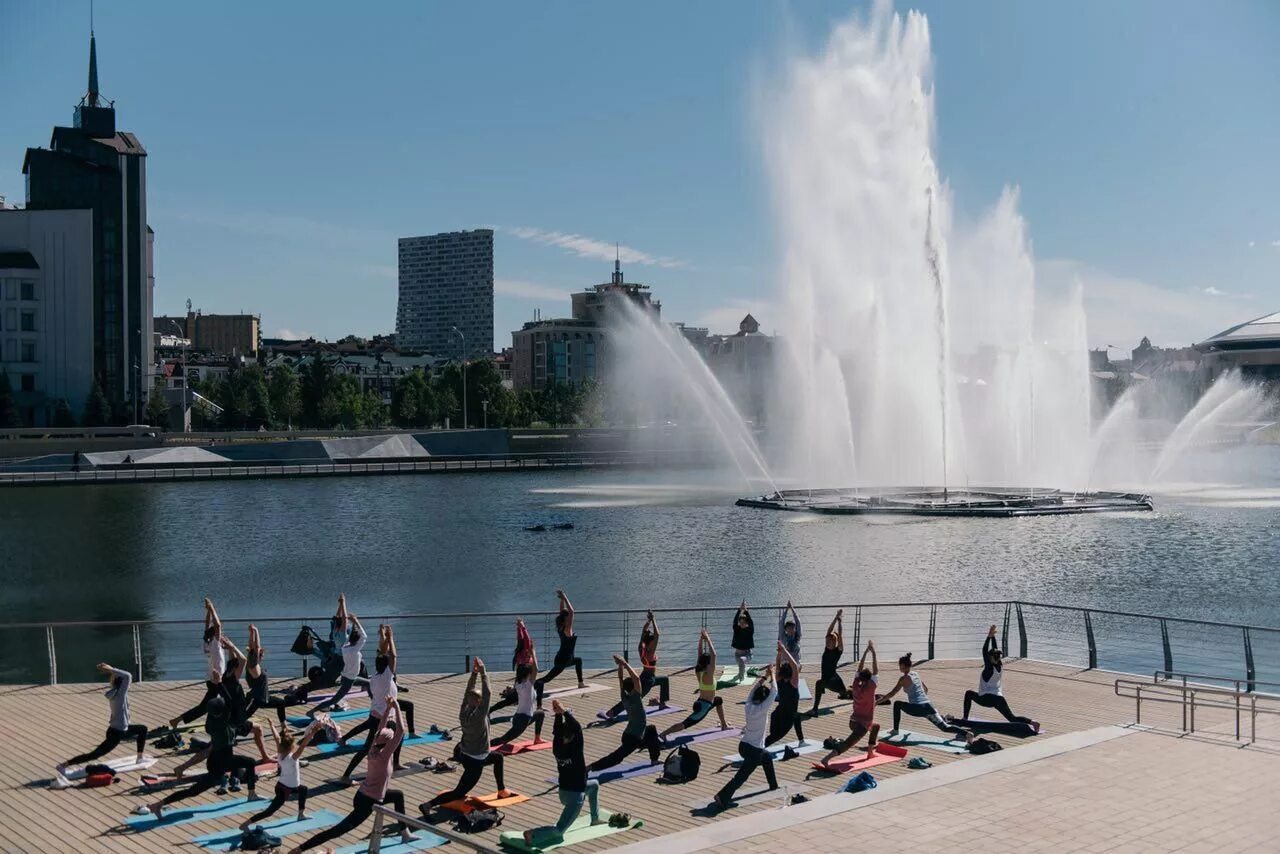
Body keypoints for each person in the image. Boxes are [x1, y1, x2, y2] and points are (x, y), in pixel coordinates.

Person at [290, 699, 416, 853]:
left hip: (362, 794)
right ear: (389, 744)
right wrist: (395, 706)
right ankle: (299, 849)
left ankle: (405, 833)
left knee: (398, 796)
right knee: (336, 832)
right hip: (368, 802)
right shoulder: (384, 756)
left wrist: (387, 710)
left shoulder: (373, 748)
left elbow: (381, 727)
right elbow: (401, 731)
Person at [419, 659, 510, 813]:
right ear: (480, 702)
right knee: (459, 792)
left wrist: (474, 674)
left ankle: (501, 790)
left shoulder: (463, 711)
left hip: (466, 754)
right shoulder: (480, 715)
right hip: (476, 760)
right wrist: (483, 672)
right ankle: (428, 805)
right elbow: (487, 693)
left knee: (498, 758)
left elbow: (469, 691)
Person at [148, 694, 260, 819]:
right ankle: (251, 794)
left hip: (214, 760)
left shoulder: (210, 723)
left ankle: (158, 804)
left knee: (193, 791)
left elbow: (229, 705)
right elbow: (235, 706)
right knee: (250, 762)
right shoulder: (224, 724)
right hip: (223, 762)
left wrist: (219, 685)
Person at [339, 625, 417, 785]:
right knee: (367, 747)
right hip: (382, 717)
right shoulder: (386, 677)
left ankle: (395, 763)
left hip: (379, 713)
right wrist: (391, 638)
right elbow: (393, 656)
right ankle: (346, 776)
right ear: (387, 666)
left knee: (398, 736)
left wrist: (384, 636)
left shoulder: (375, 677)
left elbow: (384, 654)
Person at [523, 700, 602, 847]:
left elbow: (558, 730)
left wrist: (558, 714)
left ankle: (595, 818)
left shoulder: (557, 746)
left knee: (594, 785)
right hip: (575, 797)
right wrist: (564, 711)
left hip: (563, 791)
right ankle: (532, 834)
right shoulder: (576, 749)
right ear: (573, 737)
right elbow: (577, 728)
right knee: (560, 830)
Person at [58, 662, 147, 773]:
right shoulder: (120, 695)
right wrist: (111, 669)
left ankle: (139, 758)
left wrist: (111, 672)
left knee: (143, 729)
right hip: (117, 733)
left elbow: (115, 681)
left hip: (117, 729)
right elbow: (128, 676)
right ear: (123, 686)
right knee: (95, 755)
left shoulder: (114, 691)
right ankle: (64, 765)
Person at [713, 665, 778, 808]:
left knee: (766, 757)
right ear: (764, 699)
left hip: (743, 746)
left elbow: (754, 689)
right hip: (754, 751)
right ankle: (722, 797)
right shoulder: (763, 709)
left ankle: (773, 785)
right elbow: (775, 691)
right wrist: (772, 673)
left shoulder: (748, 705)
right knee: (741, 777)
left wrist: (765, 676)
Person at [240, 719, 320, 830]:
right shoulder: (293, 757)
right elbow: (303, 745)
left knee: (303, 789)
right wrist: (313, 732)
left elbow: (277, 738)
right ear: (291, 747)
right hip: (285, 790)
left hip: (284, 786)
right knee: (269, 812)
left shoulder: (280, 753)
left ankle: (301, 814)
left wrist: (272, 725)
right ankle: (245, 824)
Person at [589, 655, 662, 770]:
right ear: (634, 689)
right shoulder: (636, 699)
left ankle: (654, 759)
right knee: (616, 758)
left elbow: (620, 679)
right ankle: (590, 767)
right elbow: (637, 679)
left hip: (630, 734)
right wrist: (625, 664)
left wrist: (620, 666)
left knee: (651, 730)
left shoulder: (624, 696)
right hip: (634, 738)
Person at [959, 625, 1039, 729]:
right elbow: (994, 650)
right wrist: (993, 637)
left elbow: (984, 650)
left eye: (989, 656)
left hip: (986, 699)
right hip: (999, 698)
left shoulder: (989, 668)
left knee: (968, 693)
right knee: (1012, 718)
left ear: (990, 658)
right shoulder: (999, 665)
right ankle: (1033, 722)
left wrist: (988, 636)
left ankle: (965, 719)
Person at [879, 653, 972, 741]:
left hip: (918, 708)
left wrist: (877, 702)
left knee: (897, 704)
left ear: (903, 666)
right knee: (945, 727)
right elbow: (926, 689)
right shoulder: (915, 674)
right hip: (928, 706)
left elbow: (892, 694)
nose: (899, 667)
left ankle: (895, 730)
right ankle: (966, 733)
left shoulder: (903, 679)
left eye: (900, 665)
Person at [166, 598, 226, 731]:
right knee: (205, 707)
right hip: (216, 680)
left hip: (212, 679)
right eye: (220, 635)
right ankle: (177, 720)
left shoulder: (207, 643)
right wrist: (211, 607)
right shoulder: (215, 645)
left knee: (211, 705)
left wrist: (208, 611)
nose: (222, 636)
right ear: (215, 636)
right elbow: (218, 625)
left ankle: (180, 720)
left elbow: (207, 626)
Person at [818, 640, 881, 767]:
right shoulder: (871, 687)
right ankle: (826, 759)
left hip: (853, 722)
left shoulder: (855, 686)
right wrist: (872, 651)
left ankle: (870, 753)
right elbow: (875, 670)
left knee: (876, 727)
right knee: (847, 744)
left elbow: (859, 669)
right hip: (861, 726)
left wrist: (864, 653)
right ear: (869, 679)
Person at [660, 629, 728, 739]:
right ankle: (663, 734)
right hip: (704, 707)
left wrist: (701, 638)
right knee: (685, 724)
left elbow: (699, 653)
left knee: (718, 700)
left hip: (702, 702)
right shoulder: (709, 674)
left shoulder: (698, 671)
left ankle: (724, 725)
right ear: (708, 664)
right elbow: (714, 655)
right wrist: (708, 638)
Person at [602, 610, 669, 718]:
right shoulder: (650, 652)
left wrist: (649, 621)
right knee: (635, 697)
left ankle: (662, 703)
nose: (654, 643)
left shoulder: (641, 648)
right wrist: (653, 619)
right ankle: (612, 712)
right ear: (650, 643)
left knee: (664, 679)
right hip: (648, 680)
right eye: (653, 642)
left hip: (645, 676)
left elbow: (644, 632)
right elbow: (657, 635)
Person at [308, 612, 367, 717]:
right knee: (334, 700)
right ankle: (312, 711)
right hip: (349, 680)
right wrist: (356, 621)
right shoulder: (353, 650)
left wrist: (354, 624)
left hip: (349, 677)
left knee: (369, 684)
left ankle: (373, 706)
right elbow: (364, 636)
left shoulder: (345, 647)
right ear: (357, 641)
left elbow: (357, 636)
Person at [535, 589, 585, 708]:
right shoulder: (568, 629)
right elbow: (572, 611)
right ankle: (529, 687)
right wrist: (565, 596)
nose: (571, 618)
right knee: (545, 679)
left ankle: (581, 683)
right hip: (564, 660)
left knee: (578, 660)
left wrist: (562, 600)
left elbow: (563, 612)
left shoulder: (560, 626)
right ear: (567, 619)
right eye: (568, 617)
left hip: (563, 658)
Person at [244, 625, 292, 726]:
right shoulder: (253, 665)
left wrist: (251, 633)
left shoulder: (252, 664)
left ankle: (284, 727)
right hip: (258, 698)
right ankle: (232, 728)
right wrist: (256, 631)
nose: (262, 658)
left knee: (281, 703)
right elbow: (256, 647)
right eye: (261, 656)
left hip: (262, 697)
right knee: (243, 716)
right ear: (258, 656)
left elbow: (252, 647)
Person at [490, 663, 545, 748]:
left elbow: (521, 669)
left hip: (520, 717)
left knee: (540, 713)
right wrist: (532, 653)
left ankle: (537, 739)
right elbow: (536, 669)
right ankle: (482, 745)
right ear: (528, 674)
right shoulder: (528, 685)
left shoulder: (517, 683)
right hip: (522, 721)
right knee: (503, 740)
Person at [764, 642, 805, 747]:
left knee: (797, 716)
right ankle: (755, 752)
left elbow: (778, 665)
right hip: (786, 718)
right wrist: (783, 651)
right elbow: (794, 665)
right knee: (771, 739)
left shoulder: (779, 680)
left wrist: (779, 654)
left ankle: (801, 741)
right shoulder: (793, 683)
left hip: (777, 714)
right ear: (791, 673)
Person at [811, 610, 851, 714]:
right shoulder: (827, 649)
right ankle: (815, 708)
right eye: (827, 641)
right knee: (820, 684)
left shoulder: (838, 651)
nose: (828, 643)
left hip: (834, 680)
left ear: (836, 642)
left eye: (831, 641)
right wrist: (835, 617)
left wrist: (840, 623)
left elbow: (840, 636)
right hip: (827, 678)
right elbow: (829, 631)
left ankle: (848, 693)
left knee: (842, 692)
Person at [731, 601, 755, 682]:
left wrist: (746, 611)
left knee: (742, 661)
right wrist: (739, 610)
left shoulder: (749, 630)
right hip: (737, 654)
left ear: (746, 623)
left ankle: (741, 678)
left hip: (747, 654)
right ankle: (740, 673)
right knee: (740, 663)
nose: (741, 624)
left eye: (743, 622)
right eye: (740, 622)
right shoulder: (737, 629)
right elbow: (734, 621)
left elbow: (751, 622)